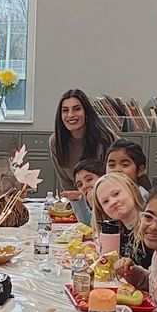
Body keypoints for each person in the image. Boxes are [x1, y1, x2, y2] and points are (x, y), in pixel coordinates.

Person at [48, 88, 112, 222]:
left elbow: (116, 177)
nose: (70, 115)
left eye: (76, 109)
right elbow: (66, 183)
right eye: (65, 110)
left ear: (86, 112)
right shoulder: (56, 142)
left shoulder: (105, 137)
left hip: (107, 205)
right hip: (80, 206)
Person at [91, 172, 153, 269]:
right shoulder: (116, 232)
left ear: (132, 189)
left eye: (116, 194)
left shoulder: (149, 228)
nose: (113, 202)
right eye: (105, 201)